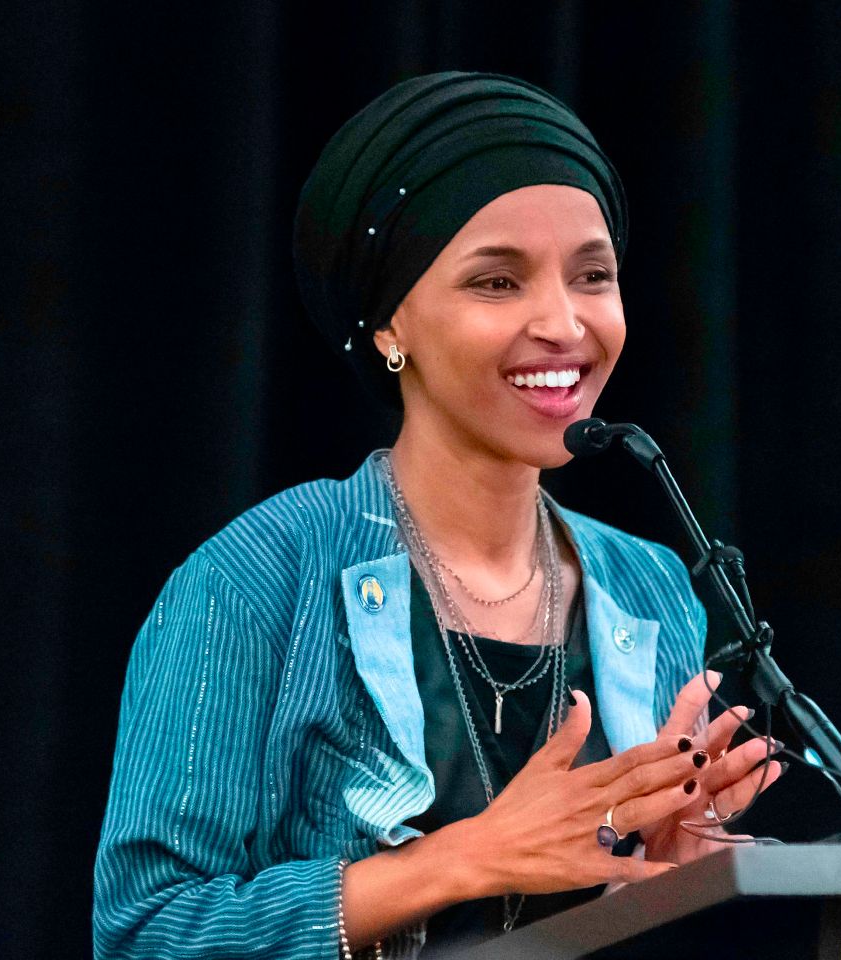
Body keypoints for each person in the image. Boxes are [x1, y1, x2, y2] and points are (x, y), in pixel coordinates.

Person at [92, 72, 784, 960]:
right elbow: (144, 932)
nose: (563, 322)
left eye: (593, 275)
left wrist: (676, 881)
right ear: (389, 325)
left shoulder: (649, 587)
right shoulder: (261, 575)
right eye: (497, 281)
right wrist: (466, 859)